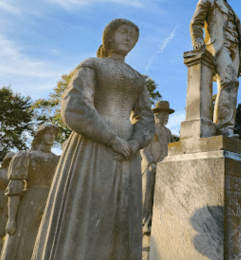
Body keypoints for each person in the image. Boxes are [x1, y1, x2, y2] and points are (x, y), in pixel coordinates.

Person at [32, 19, 155, 260]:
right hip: (93, 143)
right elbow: (75, 105)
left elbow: (146, 118)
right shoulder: (92, 65)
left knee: (122, 214)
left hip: (128, 151)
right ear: (109, 36)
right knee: (90, 211)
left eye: (134, 35)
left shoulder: (138, 78)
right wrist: (111, 138)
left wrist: (134, 142)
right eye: (124, 32)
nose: (129, 38)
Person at [190, 0, 241, 137]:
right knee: (230, 81)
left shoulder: (233, 12)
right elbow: (196, 22)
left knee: (231, 85)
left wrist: (240, 59)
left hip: (234, 50)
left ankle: (226, 127)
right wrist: (198, 40)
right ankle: (224, 127)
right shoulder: (208, 1)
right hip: (218, 47)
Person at [0, 123, 59, 260]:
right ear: (40, 135)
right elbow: (15, 190)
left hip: (50, 203)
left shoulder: (58, 159)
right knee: (24, 240)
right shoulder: (26, 156)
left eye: (54, 134)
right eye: (48, 133)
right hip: (30, 203)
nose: (52, 136)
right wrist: (12, 218)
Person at [141, 100, 174, 236]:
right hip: (150, 167)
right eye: (164, 114)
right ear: (157, 115)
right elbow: (144, 148)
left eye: (168, 114)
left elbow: (171, 149)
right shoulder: (149, 128)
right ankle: (144, 224)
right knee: (146, 196)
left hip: (164, 167)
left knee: (161, 197)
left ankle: (158, 223)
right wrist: (150, 163)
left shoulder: (168, 132)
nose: (166, 117)